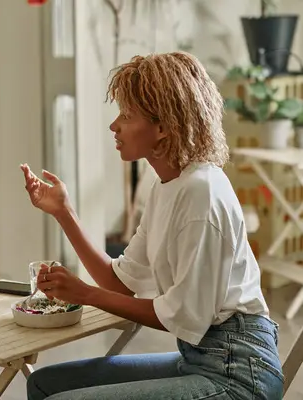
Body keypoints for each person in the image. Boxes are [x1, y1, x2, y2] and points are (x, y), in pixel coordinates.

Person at [21, 52, 283, 400]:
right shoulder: (167, 187)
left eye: (127, 116)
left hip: (239, 373)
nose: (114, 126)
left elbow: (186, 317)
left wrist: (84, 294)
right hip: (200, 360)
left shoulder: (200, 192)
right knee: (42, 383)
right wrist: (64, 213)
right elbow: (120, 283)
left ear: (164, 127)